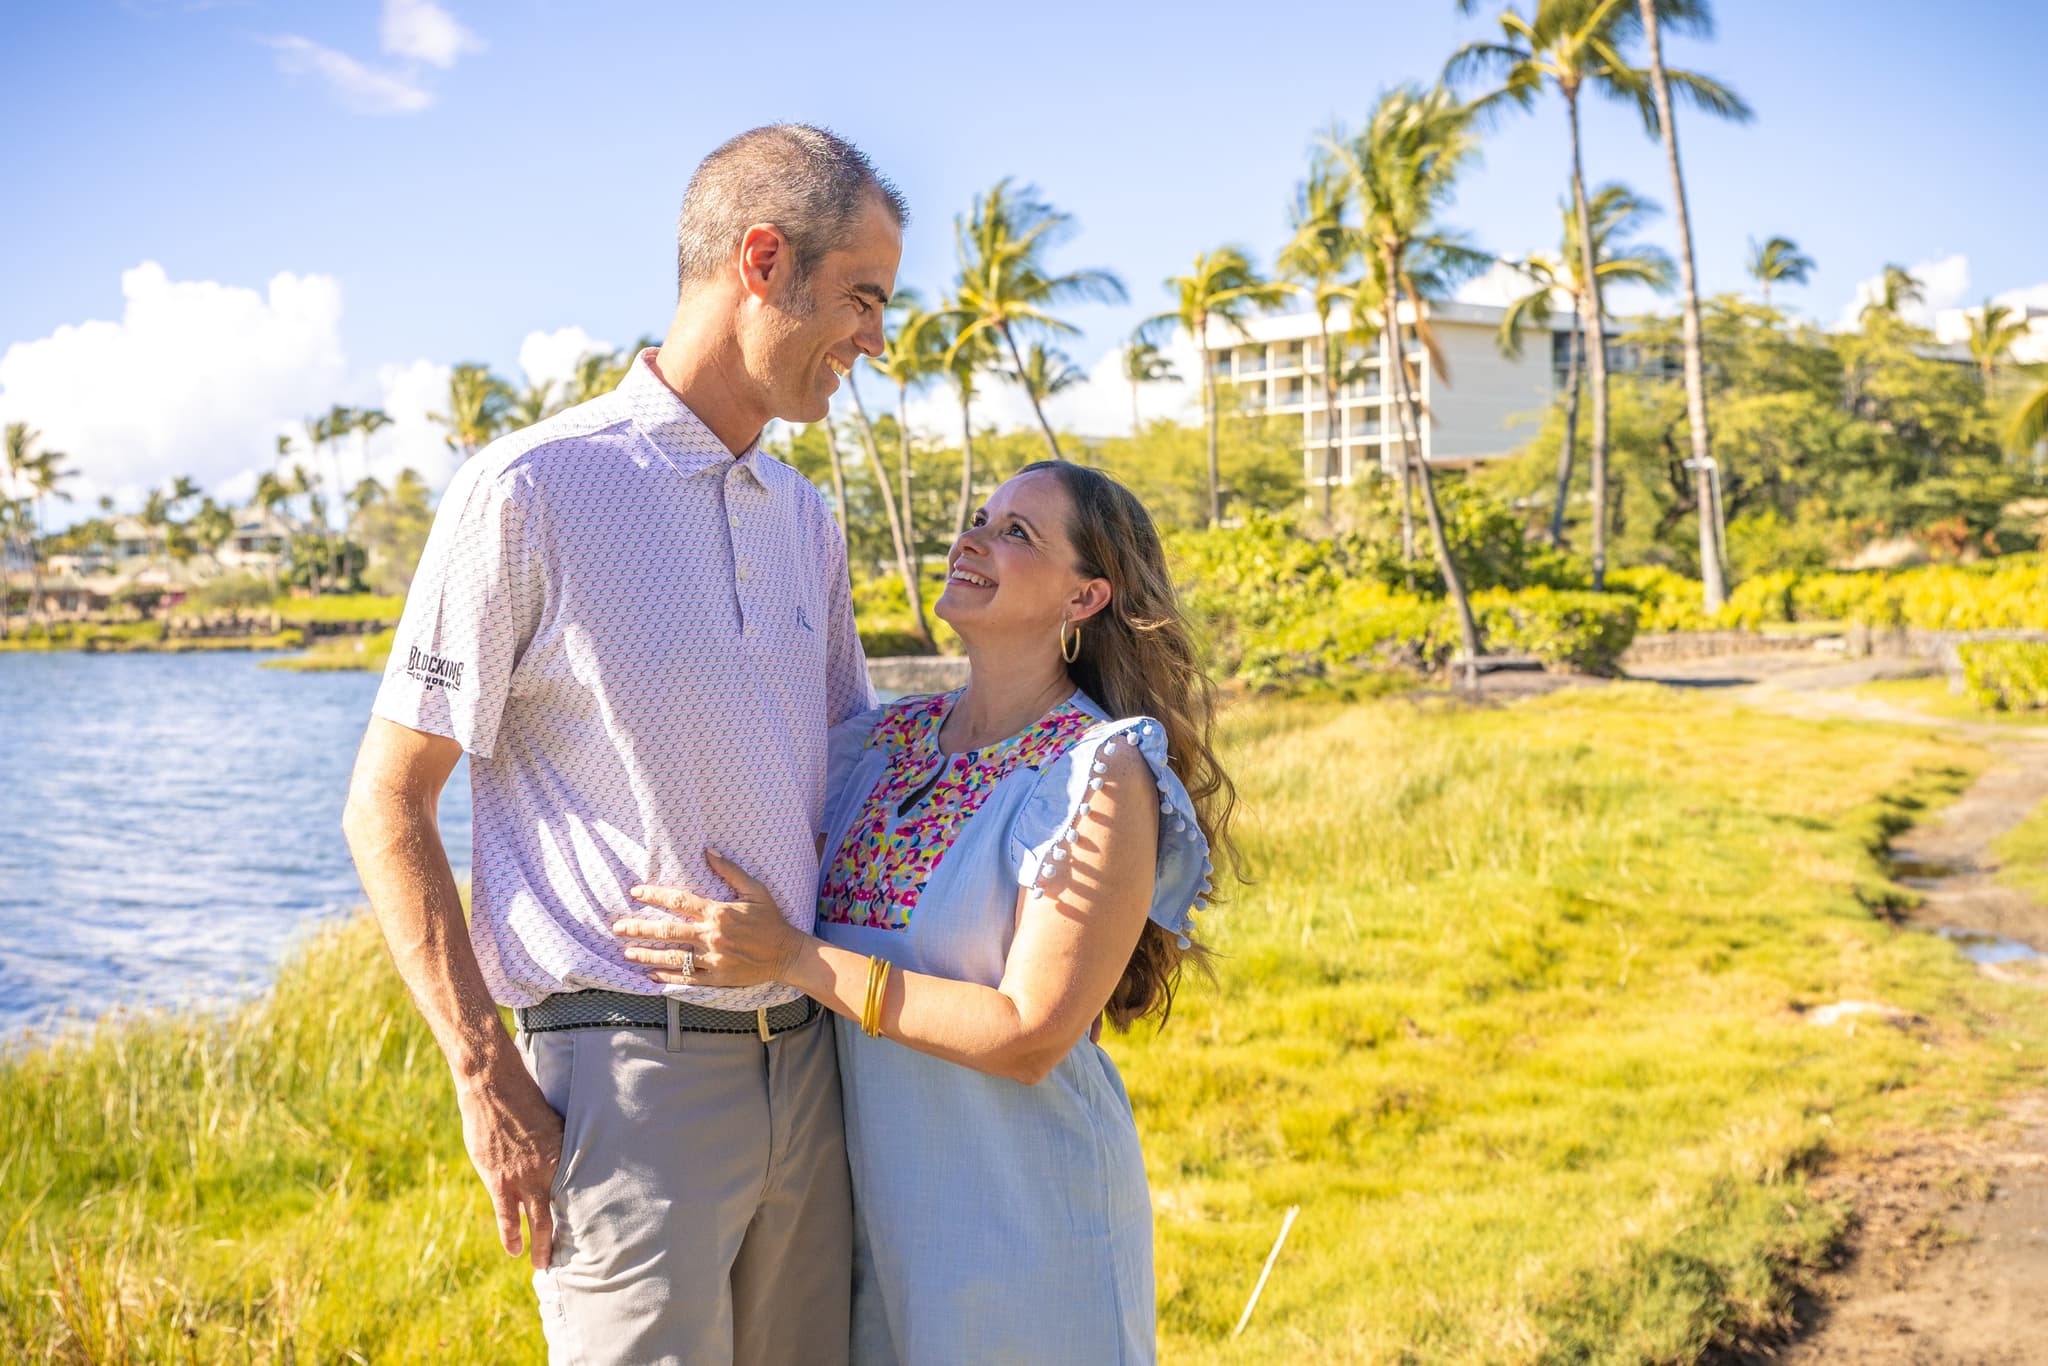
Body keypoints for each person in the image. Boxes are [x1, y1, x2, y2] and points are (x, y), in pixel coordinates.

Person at [340, 124, 903, 1365]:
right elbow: (385, 804)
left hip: (807, 1069)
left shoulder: (805, 516)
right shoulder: (527, 492)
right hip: (624, 1086)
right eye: (863, 296)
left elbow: (848, 773)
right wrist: (484, 1076)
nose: (876, 337)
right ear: (762, 260)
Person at [614, 460, 1239, 1364]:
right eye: (982, 518)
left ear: (1087, 596)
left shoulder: (1099, 771)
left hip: (1029, 1212)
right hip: (874, 1219)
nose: (974, 537)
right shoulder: (883, 742)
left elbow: (1030, 1035)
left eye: (1018, 533)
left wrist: (791, 958)